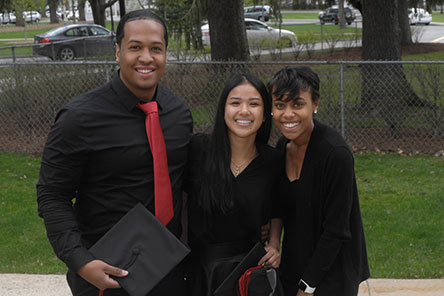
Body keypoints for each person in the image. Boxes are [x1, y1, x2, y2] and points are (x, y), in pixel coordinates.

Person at [36, 9, 193, 296]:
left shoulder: (179, 114)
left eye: (155, 48)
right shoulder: (79, 118)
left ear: (166, 55)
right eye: (135, 47)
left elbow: (189, 184)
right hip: (106, 273)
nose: (146, 58)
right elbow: (52, 195)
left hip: (169, 270)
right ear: (118, 51)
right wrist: (81, 262)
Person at [267, 66, 370, 296]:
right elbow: (278, 204)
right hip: (294, 265)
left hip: (332, 273)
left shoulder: (336, 154)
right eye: (280, 105)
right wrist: (274, 242)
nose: (288, 114)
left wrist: (307, 286)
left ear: (315, 104)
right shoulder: (283, 147)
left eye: (297, 104)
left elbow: (336, 230)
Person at [185, 73, 282, 296]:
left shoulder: (273, 161)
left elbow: (278, 207)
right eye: (235, 103)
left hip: (249, 271)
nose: (244, 111)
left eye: (254, 104)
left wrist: (275, 243)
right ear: (223, 110)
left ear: (265, 114)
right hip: (202, 272)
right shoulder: (198, 150)